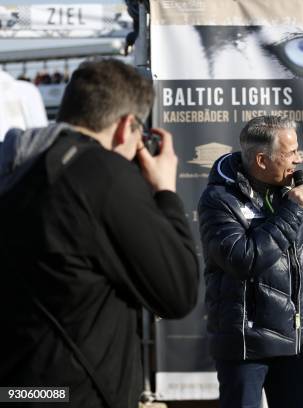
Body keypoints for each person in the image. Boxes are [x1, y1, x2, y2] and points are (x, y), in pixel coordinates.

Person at [0, 58, 199, 407]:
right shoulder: (103, 176)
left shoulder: (16, 166)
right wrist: (165, 192)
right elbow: (178, 291)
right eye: (141, 132)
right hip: (77, 394)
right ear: (125, 127)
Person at [198, 115, 303, 408]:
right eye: (291, 152)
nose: (299, 159)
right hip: (246, 347)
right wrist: (291, 210)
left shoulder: (294, 189)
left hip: (298, 344)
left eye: (298, 149)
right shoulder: (219, 199)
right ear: (261, 160)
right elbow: (243, 259)